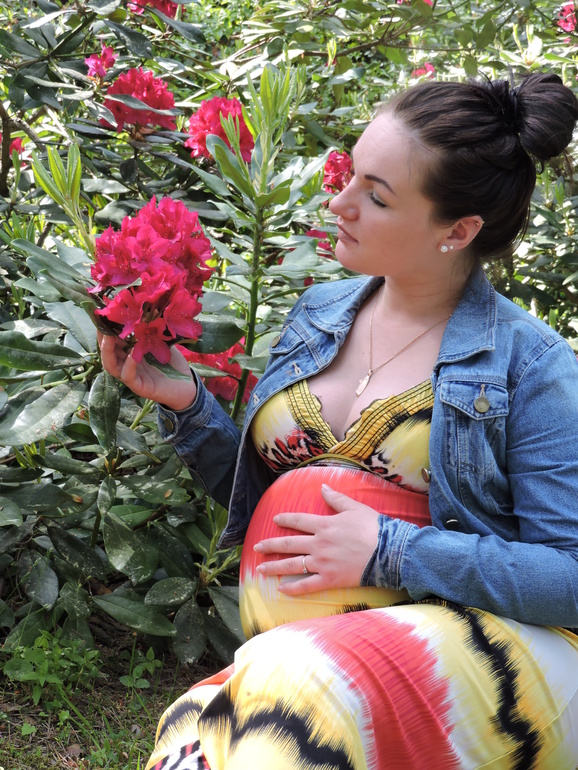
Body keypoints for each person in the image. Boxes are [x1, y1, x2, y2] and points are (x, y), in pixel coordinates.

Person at [100, 72, 578, 770]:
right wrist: (189, 406)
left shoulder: (530, 363)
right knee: (193, 741)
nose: (339, 201)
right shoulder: (319, 313)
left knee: (295, 701)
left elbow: (569, 577)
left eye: (376, 196)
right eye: (351, 174)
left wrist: (392, 550)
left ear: (458, 230)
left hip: (502, 663)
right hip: (301, 662)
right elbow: (276, 504)